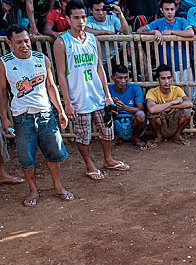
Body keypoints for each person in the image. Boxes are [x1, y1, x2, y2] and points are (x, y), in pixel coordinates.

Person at [54, 0, 129, 181]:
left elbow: (99, 68)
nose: (81, 21)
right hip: (78, 98)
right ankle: (89, 164)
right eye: (76, 17)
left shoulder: (92, 39)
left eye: (83, 17)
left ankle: (108, 159)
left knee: (107, 130)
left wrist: (107, 95)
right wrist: (68, 103)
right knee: (83, 135)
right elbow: (61, 75)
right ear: (68, 18)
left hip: (97, 95)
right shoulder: (62, 42)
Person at [0, 24, 73, 206]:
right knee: (27, 158)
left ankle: (58, 186)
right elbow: (2, 91)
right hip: (22, 117)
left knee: (54, 154)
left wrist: (61, 111)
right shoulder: (5, 63)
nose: (24, 45)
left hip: (46, 115)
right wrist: (5, 117)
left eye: (26, 41)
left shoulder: (42, 58)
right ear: (10, 43)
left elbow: (50, 86)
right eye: (19, 42)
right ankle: (33, 190)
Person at [137, 0, 195, 96]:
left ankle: (192, 111)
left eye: (172, 9)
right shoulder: (158, 23)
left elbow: (190, 33)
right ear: (161, 10)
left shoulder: (181, 21)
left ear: (175, 9)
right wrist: (154, 31)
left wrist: (171, 32)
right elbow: (140, 30)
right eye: (167, 9)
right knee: (171, 95)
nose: (170, 12)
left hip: (184, 65)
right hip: (167, 68)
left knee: (188, 95)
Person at [145, 64, 193, 147]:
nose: (167, 81)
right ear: (158, 80)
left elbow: (189, 104)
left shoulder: (176, 89)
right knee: (152, 115)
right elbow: (152, 109)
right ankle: (158, 136)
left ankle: (177, 135)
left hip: (173, 120)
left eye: (169, 78)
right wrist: (172, 102)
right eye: (163, 78)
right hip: (161, 121)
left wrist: (170, 106)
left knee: (187, 112)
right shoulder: (152, 92)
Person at [108, 64, 148, 149]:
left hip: (131, 120)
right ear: (112, 78)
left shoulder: (135, 88)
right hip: (116, 120)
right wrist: (110, 103)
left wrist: (124, 107)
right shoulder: (108, 89)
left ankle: (135, 137)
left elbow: (141, 109)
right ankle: (115, 136)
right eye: (120, 78)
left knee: (141, 115)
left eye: (125, 77)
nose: (123, 81)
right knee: (102, 113)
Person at [86, 0, 130, 70]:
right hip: (96, 60)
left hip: (114, 59)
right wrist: (106, 32)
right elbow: (85, 30)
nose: (100, 13)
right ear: (91, 10)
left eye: (103, 9)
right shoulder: (88, 20)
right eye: (97, 10)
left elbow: (126, 31)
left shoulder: (113, 19)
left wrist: (120, 14)